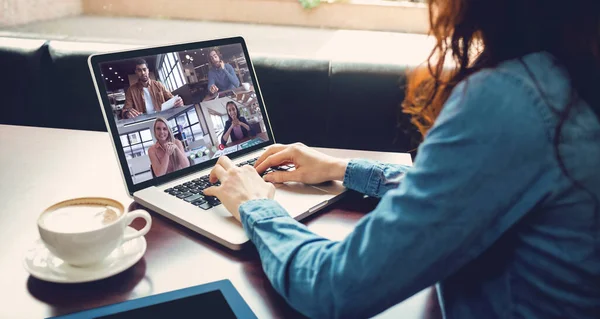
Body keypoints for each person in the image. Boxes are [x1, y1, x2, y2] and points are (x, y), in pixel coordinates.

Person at [203, 0, 600, 318]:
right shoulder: (572, 75)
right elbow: (474, 187)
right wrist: (342, 170)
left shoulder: (513, 99)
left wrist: (255, 207)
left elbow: (333, 288)